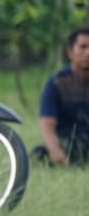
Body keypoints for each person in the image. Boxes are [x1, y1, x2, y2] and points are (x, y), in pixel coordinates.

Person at [33, 27, 89, 166]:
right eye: (83, 47)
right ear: (70, 52)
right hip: (67, 143)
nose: (88, 53)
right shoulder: (56, 84)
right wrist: (55, 151)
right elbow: (47, 124)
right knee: (38, 155)